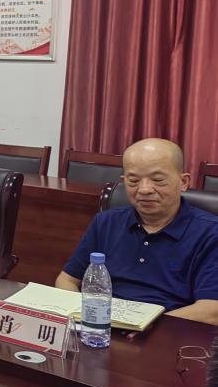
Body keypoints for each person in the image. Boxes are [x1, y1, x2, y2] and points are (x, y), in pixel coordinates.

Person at [55, 138, 218, 324]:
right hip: (102, 325)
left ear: (183, 182)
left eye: (158, 180)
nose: (145, 189)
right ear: (124, 182)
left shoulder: (210, 233)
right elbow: (66, 280)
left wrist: (144, 327)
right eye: (133, 181)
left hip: (169, 331)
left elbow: (211, 310)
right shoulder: (106, 222)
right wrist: (86, 316)